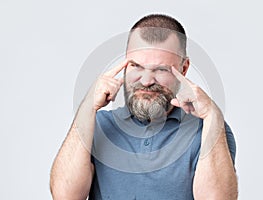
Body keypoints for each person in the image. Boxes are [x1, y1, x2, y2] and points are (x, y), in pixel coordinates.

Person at [50, 14, 238, 200]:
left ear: (184, 68)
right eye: (136, 66)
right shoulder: (97, 125)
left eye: (161, 70)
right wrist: (87, 107)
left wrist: (212, 116)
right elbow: (65, 196)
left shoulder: (208, 129)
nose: (147, 81)